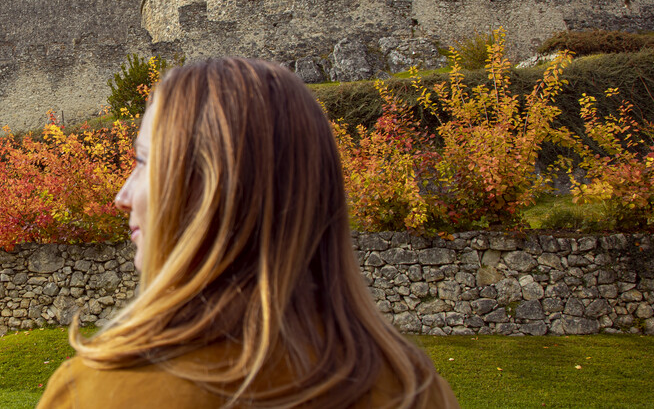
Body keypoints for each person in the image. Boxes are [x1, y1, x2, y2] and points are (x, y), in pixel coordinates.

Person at [37, 58, 457, 408]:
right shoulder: (416, 390)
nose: (121, 195)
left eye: (145, 162)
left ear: (209, 187)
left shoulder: (99, 393)